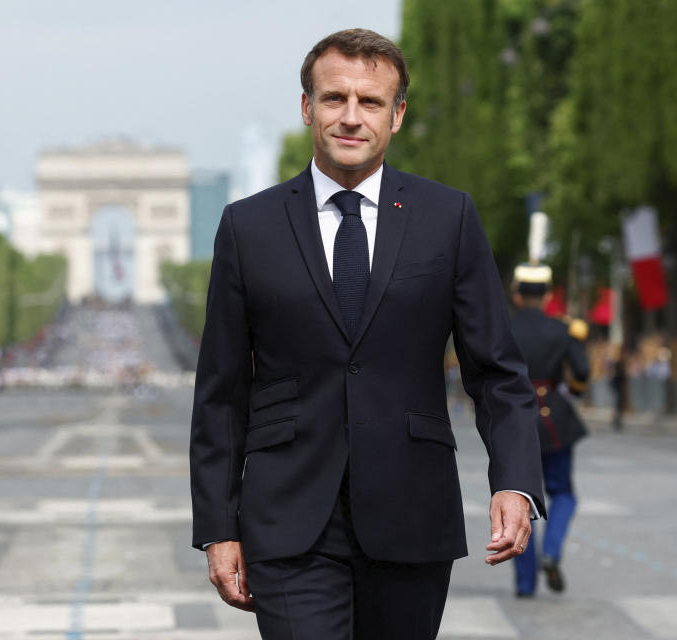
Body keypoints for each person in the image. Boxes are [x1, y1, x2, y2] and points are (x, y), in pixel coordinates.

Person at [190, 28, 545, 639]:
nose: (350, 117)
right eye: (334, 99)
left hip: (412, 510)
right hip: (287, 519)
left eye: (370, 102)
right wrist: (219, 527)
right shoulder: (247, 227)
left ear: (398, 115)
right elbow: (221, 393)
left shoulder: (449, 218)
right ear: (307, 107)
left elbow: (496, 371)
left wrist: (514, 480)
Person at [508, 212, 590, 598]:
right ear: (548, 293)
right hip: (554, 415)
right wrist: (572, 388)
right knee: (563, 493)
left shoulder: (502, 327)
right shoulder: (564, 329)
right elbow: (584, 371)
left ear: (516, 293)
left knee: (519, 502)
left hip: (513, 417)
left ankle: (525, 585)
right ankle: (552, 552)